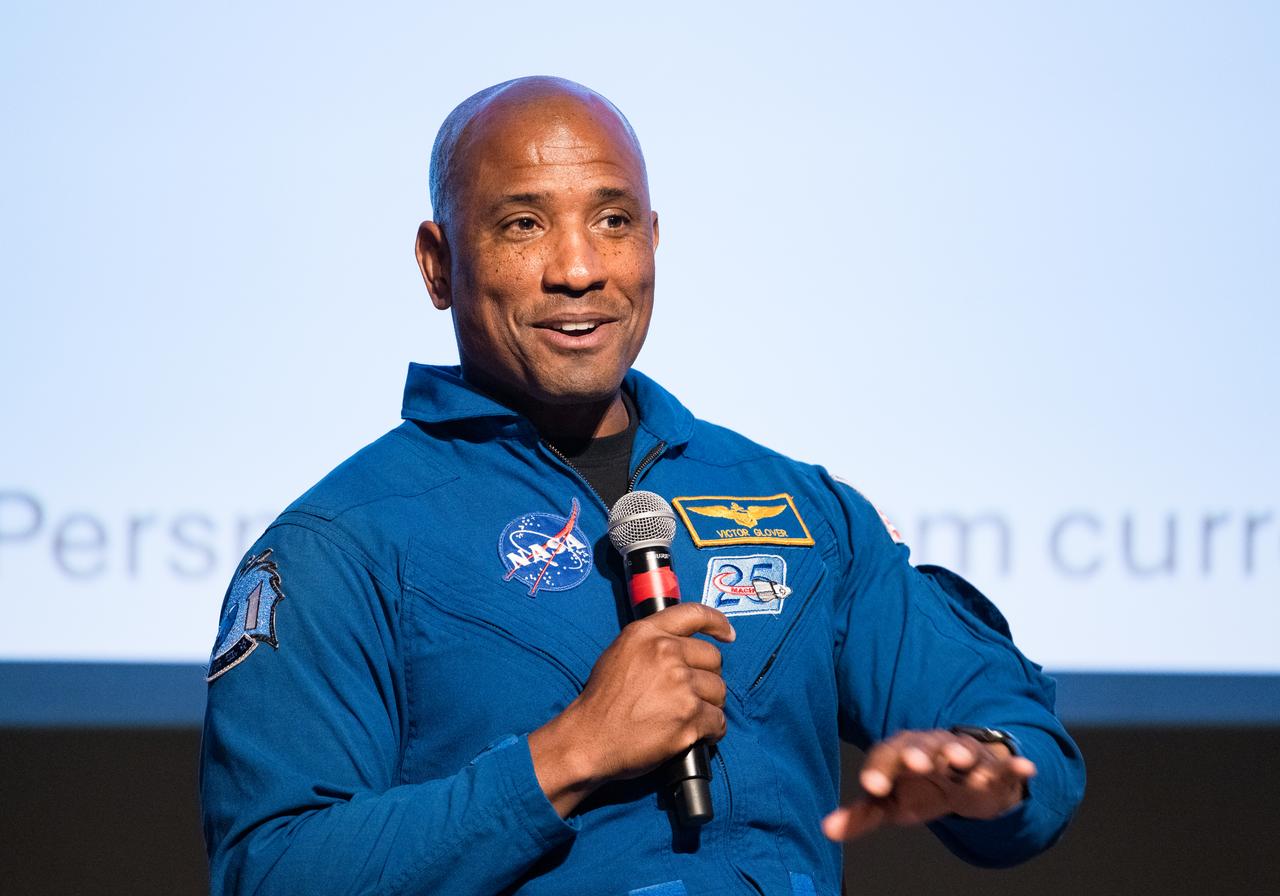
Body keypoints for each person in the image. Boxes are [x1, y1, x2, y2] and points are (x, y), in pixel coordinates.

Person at [200, 76, 1084, 895]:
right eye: (524, 224)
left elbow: (1013, 732)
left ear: (654, 239)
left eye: (614, 221)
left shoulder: (799, 506)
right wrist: (569, 754)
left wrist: (986, 766)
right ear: (438, 263)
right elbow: (272, 870)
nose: (579, 268)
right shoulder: (342, 544)